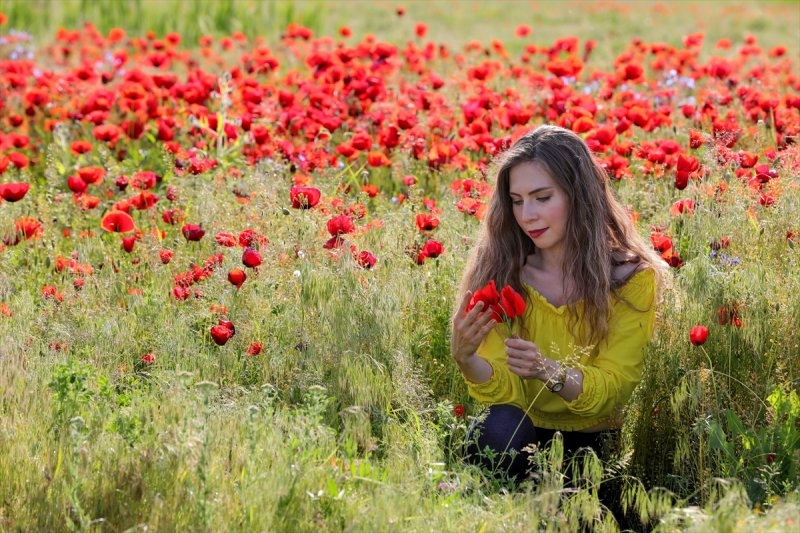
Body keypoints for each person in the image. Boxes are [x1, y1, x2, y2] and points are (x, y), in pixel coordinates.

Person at [451, 124, 667, 481]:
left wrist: (546, 370)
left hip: (592, 443)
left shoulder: (629, 278)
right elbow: (504, 396)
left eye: (542, 197)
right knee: (499, 424)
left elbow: (615, 388)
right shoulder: (502, 272)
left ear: (579, 195)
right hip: (519, 435)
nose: (527, 216)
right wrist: (467, 358)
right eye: (517, 201)